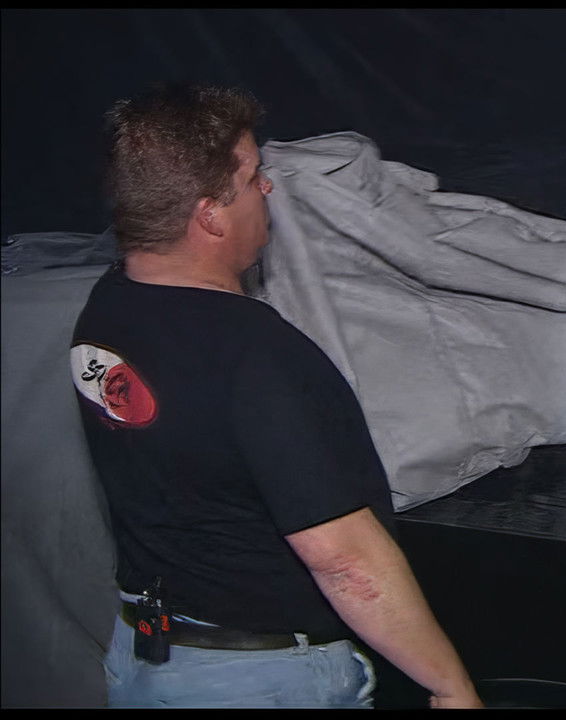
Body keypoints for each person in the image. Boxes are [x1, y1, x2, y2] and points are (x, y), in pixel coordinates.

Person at [68, 84, 483, 709]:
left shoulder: (107, 310)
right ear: (210, 216)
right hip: (255, 683)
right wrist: (450, 686)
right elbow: (347, 565)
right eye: (252, 176)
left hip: (145, 660)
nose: (267, 187)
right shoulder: (258, 356)